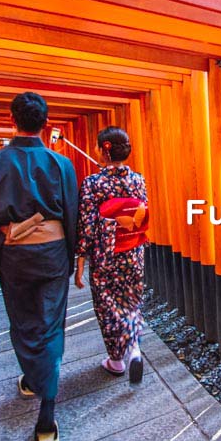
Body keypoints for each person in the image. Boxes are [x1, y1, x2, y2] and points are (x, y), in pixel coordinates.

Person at [0, 92, 78, 441]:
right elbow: (72, 215)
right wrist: (73, 258)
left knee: (24, 322)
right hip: (52, 254)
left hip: (14, 253)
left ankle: (36, 383)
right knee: (50, 324)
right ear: (46, 124)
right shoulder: (60, 164)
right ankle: (45, 416)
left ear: (10, 119)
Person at [75, 126, 148, 383]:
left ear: (103, 150)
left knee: (107, 305)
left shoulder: (93, 183)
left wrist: (80, 260)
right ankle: (134, 348)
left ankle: (116, 360)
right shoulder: (138, 180)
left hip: (105, 253)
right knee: (130, 301)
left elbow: (86, 223)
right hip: (133, 250)